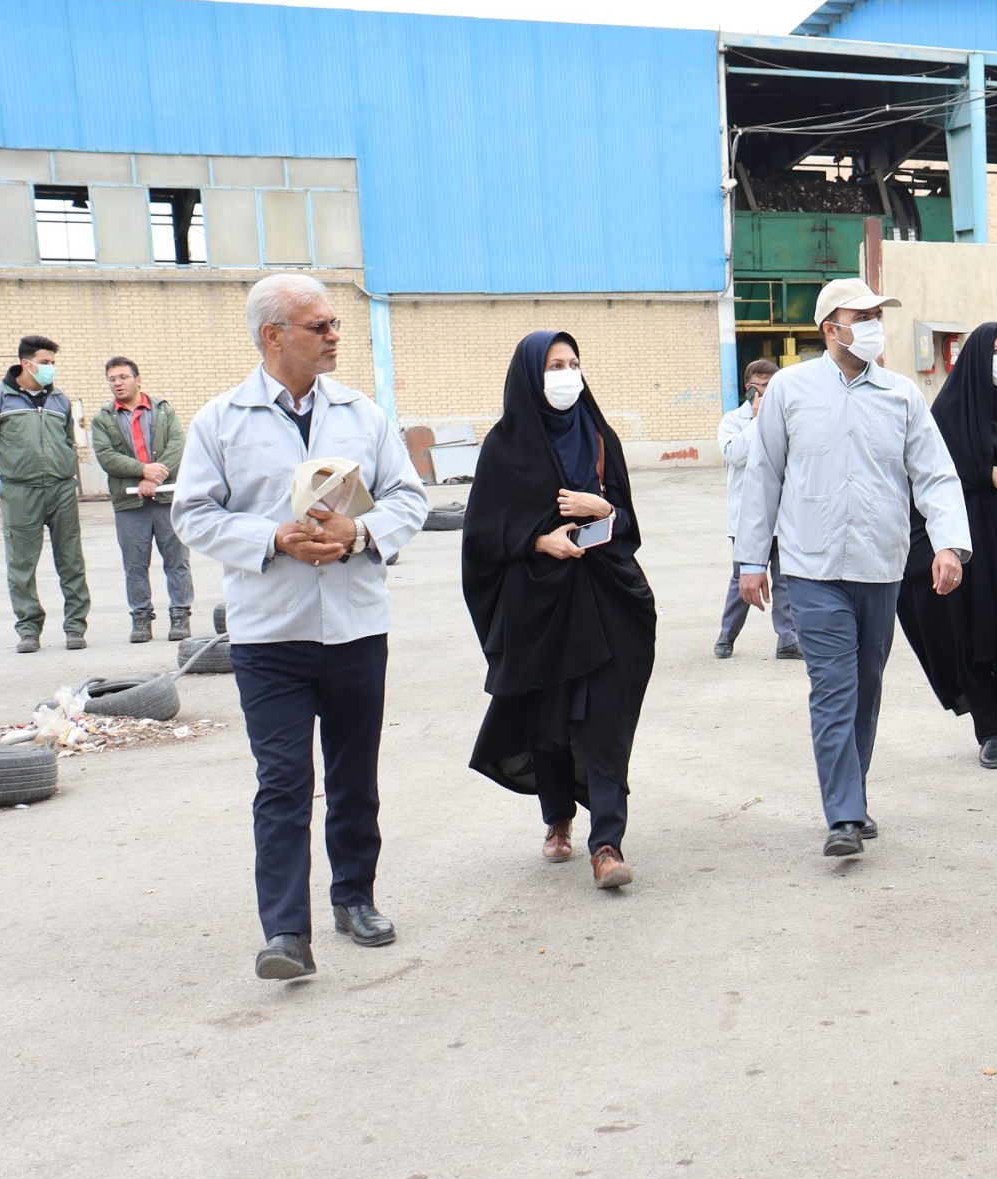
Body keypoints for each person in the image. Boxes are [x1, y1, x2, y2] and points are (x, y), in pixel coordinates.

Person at [174, 273, 427, 981]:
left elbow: (408, 497)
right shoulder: (220, 420)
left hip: (355, 628)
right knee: (283, 782)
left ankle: (355, 899)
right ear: (273, 335)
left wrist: (359, 533)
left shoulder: (362, 414)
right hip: (271, 636)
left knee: (354, 776)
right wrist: (272, 538)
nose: (334, 335)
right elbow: (192, 512)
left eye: (334, 324)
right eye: (319, 326)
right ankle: (285, 932)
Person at [738, 277, 969, 860]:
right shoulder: (790, 389)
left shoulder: (901, 395)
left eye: (876, 316)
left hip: (880, 565)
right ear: (830, 329)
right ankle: (842, 815)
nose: (873, 326)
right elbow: (763, 475)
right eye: (861, 317)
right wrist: (751, 560)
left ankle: (852, 794)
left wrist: (948, 545)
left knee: (866, 687)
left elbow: (935, 474)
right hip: (811, 567)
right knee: (833, 688)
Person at [461, 332, 658, 890]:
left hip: (607, 599)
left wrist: (603, 508)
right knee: (547, 721)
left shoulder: (598, 435)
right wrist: (538, 541)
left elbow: (628, 525)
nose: (568, 374)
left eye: (574, 363)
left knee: (606, 722)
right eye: (554, 365)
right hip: (539, 606)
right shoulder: (505, 446)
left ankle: (607, 844)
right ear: (530, 375)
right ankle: (557, 817)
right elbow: (481, 534)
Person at [900, 320, 997, 769]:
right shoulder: (949, 412)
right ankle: (988, 729)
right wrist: (984, 473)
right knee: (971, 631)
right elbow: (930, 472)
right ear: (974, 359)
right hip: (966, 538)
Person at [0, 334, 88, 652]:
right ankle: (28, 630)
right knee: (21, 565)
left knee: (71, 561)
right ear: (26, 363)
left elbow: (68, 440)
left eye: (53, 362)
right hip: (20, 493)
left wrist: (64, 468)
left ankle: (75, 627)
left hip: (61, 489)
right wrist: (12, 473)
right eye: (45, 362)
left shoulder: (60, 400)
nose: (50, 367)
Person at [90, 356, 190, 644]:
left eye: (123, 377)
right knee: (134, 564)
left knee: (177, 559)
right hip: (129, 503)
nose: (118, 383)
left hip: (167, 498)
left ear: (138, 379)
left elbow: (177, 445)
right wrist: (142, 470)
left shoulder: (163, 410)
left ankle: (180, 614)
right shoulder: (102, 418)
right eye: (112, 379)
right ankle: (141, 618)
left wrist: (154, 477)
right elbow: (107, 456)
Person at [715, 359, 795, 659]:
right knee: (743, 578)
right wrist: (759, 420)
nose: (762, 393)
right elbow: (734, 454)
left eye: (768, 387)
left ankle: (787, 639)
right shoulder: (733, 420)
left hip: (783, 516)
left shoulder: (787, 417)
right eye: (756, 388)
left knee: (785, 580)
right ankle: (727, 636)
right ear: (747, 388)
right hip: (746, 519)